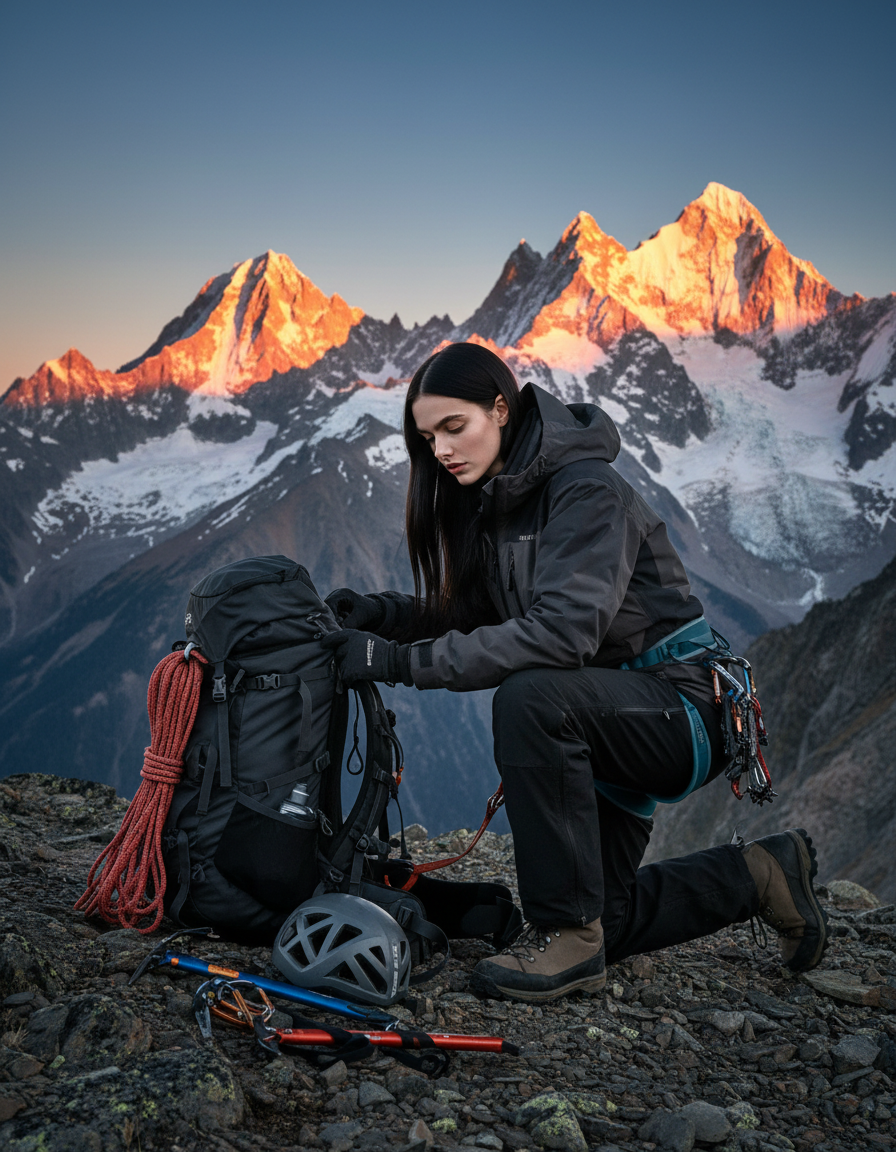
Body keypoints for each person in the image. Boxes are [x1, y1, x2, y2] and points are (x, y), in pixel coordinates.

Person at [320, 342, 828, 1002]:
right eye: (427, 437)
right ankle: (762, 874)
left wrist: (397, 663)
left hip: (681, 706)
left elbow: (561, 635)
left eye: (455, 427)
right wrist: (386, 616)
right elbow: (481, 614)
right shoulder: (501, 496)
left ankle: (569, 943)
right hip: (607, 712)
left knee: (529, 697)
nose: (441, 451)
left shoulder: (585, 489)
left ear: (500, 410)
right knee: (605, 918)